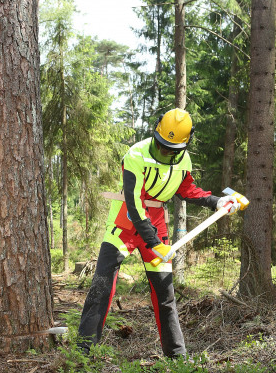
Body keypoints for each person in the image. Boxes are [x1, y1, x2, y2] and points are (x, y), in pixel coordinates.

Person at [77, 108, 240, 358]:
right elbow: (134, 202)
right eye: (162, 146)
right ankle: (83, 352)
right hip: (125, 223)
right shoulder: (135, 155)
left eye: (172, 149)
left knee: (165, 292)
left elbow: (187, 190)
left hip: (157, 223)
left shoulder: (183, 161)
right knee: (101, 284)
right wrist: (153, 242)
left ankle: (177, 357)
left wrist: (217, 201)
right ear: (156, 133)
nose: (165, 152)